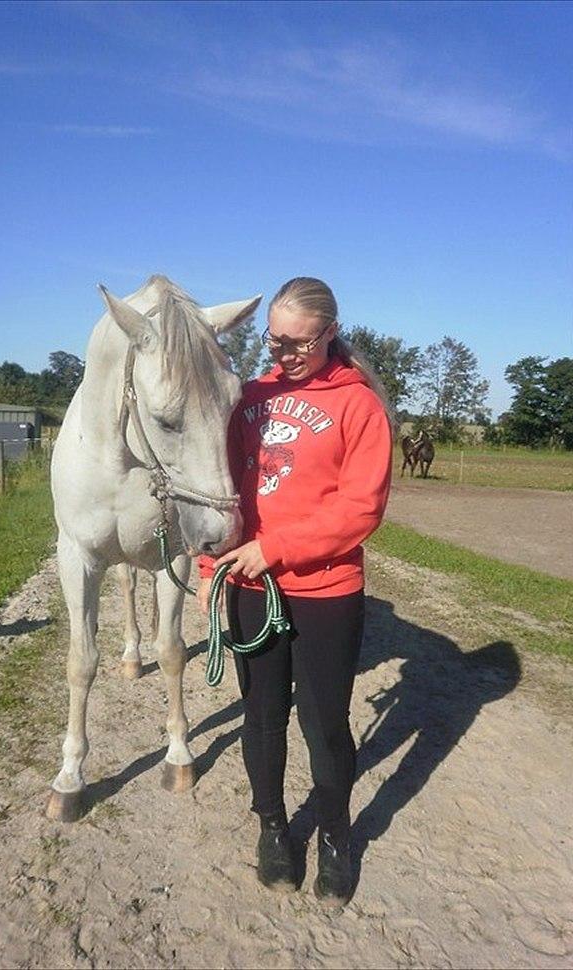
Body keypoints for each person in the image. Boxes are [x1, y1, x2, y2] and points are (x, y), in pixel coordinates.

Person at [197, 276, 392, 903]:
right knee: (261, 716)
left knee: (324, 722)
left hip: (327, 591)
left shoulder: (358, 405)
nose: (282, 356)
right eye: (273, 342)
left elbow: (361, 509)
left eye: (297, 345)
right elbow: (220, 494)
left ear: (329, 334)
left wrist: (274, 548)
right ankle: (273, 828)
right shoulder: (249, 398)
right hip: (251, 585)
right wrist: (211, 570)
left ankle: (335, 833)